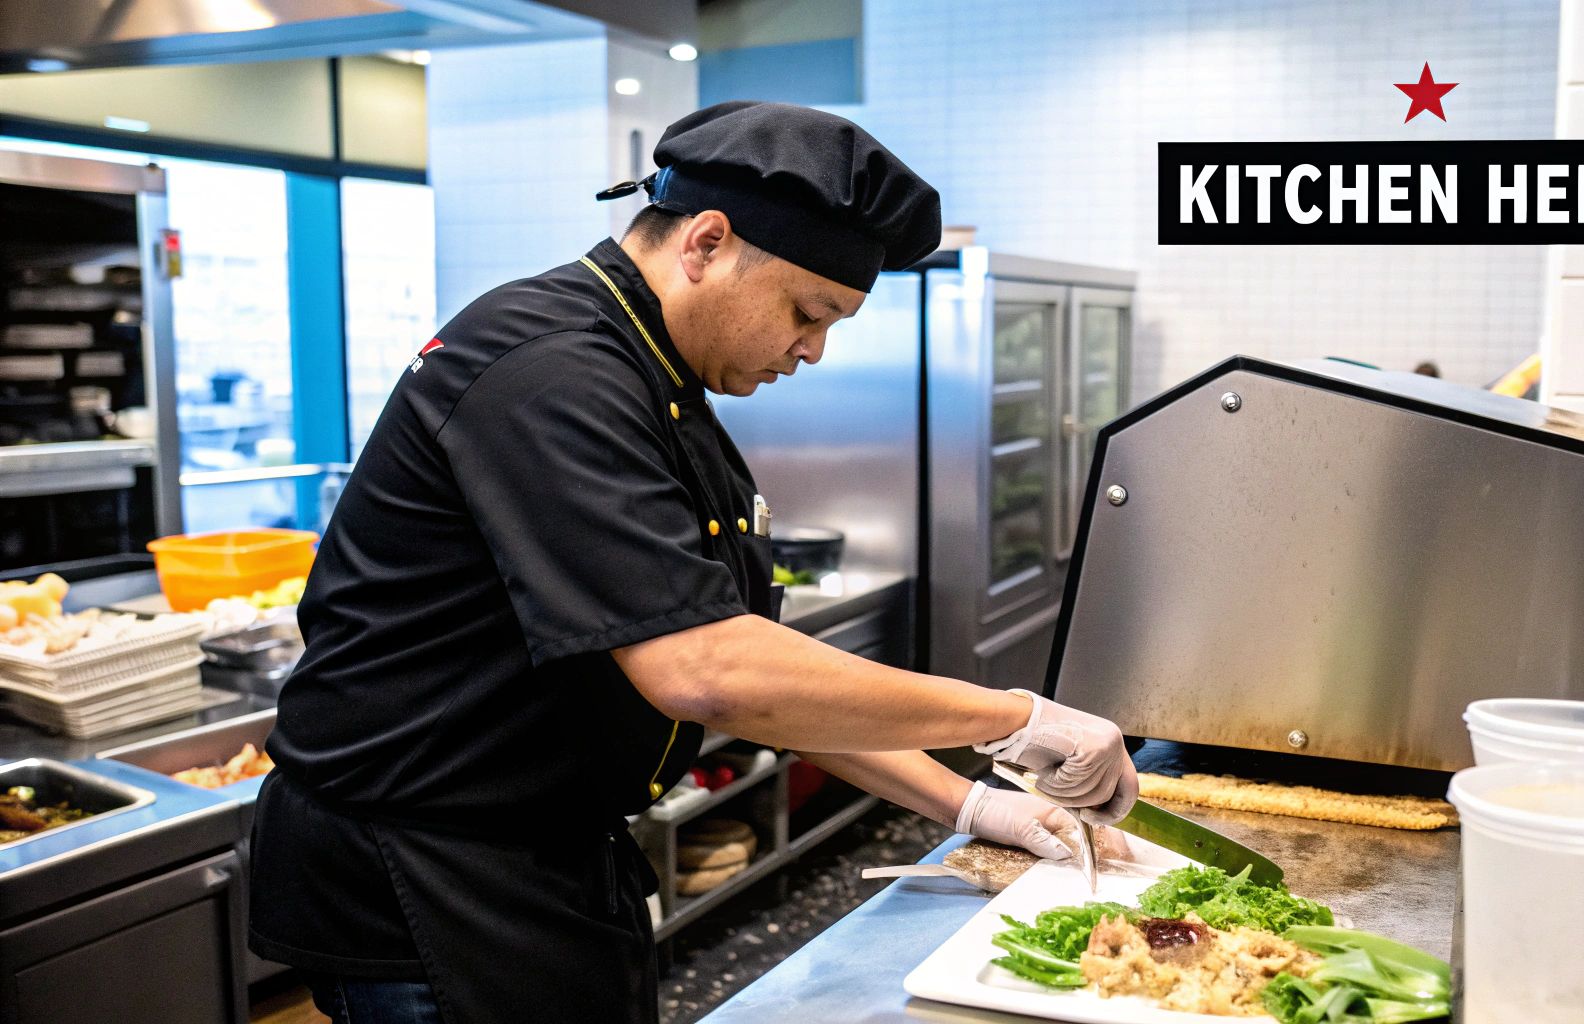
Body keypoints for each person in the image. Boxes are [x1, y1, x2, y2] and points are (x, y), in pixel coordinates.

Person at [248, 101, 1139, 1024]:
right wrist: (1015, 718)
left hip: (536, 852)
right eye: (808, 311)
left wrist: (970, 806)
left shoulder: (658, 379)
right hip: (427, 873)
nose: (813, 350)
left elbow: (762, 680)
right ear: (706, 243)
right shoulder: (550, 367)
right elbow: (704, 671)